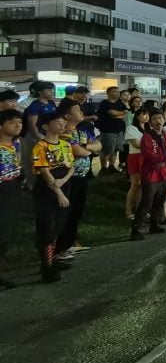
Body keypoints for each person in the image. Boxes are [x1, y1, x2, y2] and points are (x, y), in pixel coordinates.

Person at [31, 110, 74, 282]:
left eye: (63, 121)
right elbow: (44, 171)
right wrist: (58, 191)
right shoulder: (40, 146)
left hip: (64, 183)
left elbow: (71, 166)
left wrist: (63, 181)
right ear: (45, 126)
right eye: (57, 122)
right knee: (46, 227)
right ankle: (46, 266)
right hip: (47, 189)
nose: (62, 124)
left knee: (58, 225)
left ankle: (51, 261)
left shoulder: (65, 144)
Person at [55, 102, 101, 262]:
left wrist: (85, 147)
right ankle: (59, 247)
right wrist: (87, 149)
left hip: (82, 177)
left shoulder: (82, 131)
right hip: (68, 178)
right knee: (65, 213)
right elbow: (78, 151)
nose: (82, 112)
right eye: (77, 110)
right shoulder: (63, 133)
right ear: (67, 116)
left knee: (76, 212)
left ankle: (70, 242)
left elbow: (99, 145)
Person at [131, 111, 166, 241]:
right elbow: (149, 154)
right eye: (154, 119)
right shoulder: (147, 137)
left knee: (160, 199)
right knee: (147, 201)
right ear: (151, 122)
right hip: (151, 173)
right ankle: (136, 229)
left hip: (163, 172)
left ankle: (155, 224)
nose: (158, 121)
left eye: (160, 118)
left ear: (164, 120)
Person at [0, 109, 22, 289]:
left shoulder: (16, 144)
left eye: (20, 122)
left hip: (12, 188)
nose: (18, 125)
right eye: (12, 122)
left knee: (6, 232)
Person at [21, 80, 57, 184]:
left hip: (49, 136)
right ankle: (31, 183)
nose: (51, 92)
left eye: (52, 90)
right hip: (36, 137)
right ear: (40, 92)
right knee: (35, 160)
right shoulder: (35, 105)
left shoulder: (51, 103)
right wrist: (39, 138)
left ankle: (47, 181)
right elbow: (32, 125)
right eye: (48, 90)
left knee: (48, 159)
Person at [124, 109, 150, 220]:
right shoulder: (131, 128)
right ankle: (128, 210)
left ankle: (140, 210)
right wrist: (151, 145)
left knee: (143, 185)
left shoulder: (149, 129)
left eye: (147, 114)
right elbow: (136, 144)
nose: (146, 116)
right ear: (137, 116)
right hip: (136, 157)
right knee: (135, 185)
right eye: (144, 114)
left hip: (147, 157)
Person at [97, 86, 127, 173]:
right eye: (114, 92)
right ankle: (103, 168)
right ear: (108, 93)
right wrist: (121, 114)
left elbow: (126, 114)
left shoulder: (120, 103)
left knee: (115, 150)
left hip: (119, 130)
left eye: (118, 92)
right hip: (108, 130)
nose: (117, 93)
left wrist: (119, 115)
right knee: (106, 150)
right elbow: (112, 113)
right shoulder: (104, 103)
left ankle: (112, 166)